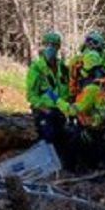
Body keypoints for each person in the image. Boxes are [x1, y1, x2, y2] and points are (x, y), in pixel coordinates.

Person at [59, 50, 105, 186]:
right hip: (103, 131)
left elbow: (73, 110)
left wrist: (57, 101)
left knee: (70, 141)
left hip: (92, 132)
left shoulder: (91, 89)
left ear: (87, 69)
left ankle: (72, 172)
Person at [26, 32, 73, 161]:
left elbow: (67, 91)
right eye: (48, 44)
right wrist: (42, 108)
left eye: (54, 45)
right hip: (44, 111)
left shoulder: (63, 68)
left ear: (58, 47)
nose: (51, 48)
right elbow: (31, 95)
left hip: (60, 112)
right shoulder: (37, 68)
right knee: (48, 139)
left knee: (65, 142)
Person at [69, 30, 105, 99]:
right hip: (88, 92)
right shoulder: (92, 55)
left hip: (78, 93)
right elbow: (98, 78)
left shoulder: (79, 57)